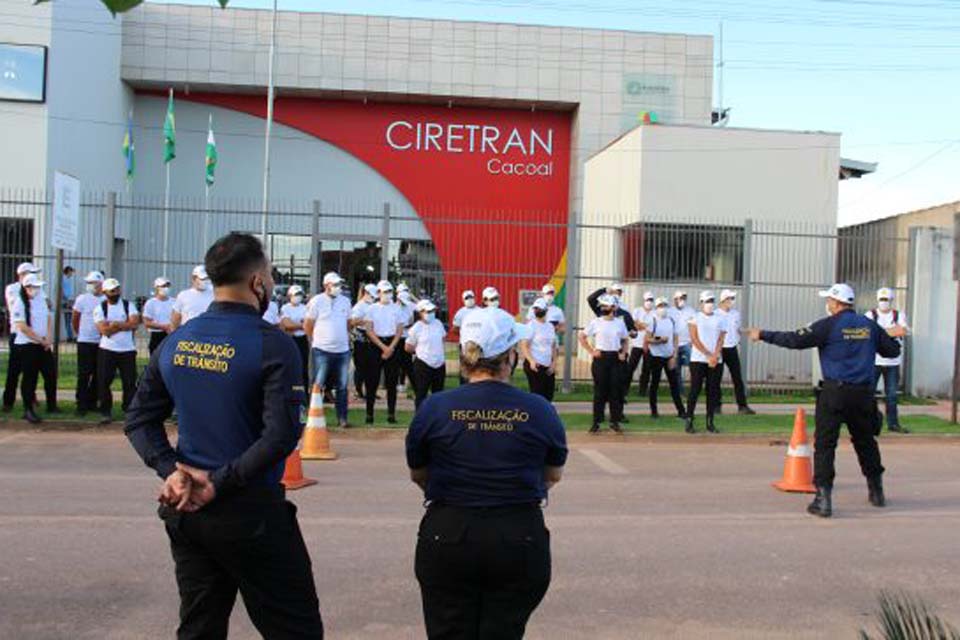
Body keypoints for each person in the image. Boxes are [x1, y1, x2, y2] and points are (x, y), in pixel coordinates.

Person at [125, 232, 324, 639]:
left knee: (199, 627)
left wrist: (172, 471)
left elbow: (139, 420)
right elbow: (281, 435)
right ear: (256, 283)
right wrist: (219, 482)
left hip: (187, 510)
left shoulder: (177, 341)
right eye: (268, 275)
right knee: (296, 628)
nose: (270, 284)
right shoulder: (274, 344)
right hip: (250, 513)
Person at [406, 306, 566, 640]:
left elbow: (419, 474)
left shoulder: (434, 408)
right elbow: (552, 474)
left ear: (465, 357)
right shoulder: (539, 409)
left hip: (448, 532)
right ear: (510, 356)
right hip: (517, 534)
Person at [745, 283, 901, 518]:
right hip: (862, 394)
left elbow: (794, 340)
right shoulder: (870, 326)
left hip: (834, 393)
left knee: (826, 446)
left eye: (829, 300)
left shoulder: (828, 326)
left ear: (837, 303)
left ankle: (823, 499)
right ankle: (876, 491)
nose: (827, 304)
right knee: (866, 442)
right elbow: (892, 351)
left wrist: (763, 334)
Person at [303, 272, 352, 428]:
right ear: (326, 286)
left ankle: (342, 418)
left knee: (342, 386)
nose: (338, 288)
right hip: (321, 350)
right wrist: (315, 341)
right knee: (318, 384)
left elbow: (348, 324)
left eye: (339, 285)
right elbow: (308, 325)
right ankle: (312, 418)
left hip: (342, 350)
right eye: (335, 285)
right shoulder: (316, 301)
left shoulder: (345, 301)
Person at [579, 294, 630, 434]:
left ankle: (615, 421)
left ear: (613, 307)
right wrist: (591, 351)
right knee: (600, 392)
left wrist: (623, 353)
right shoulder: (596, 322)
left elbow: (625, 340)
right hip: (601, 358)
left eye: (605, 305)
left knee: (615, 391)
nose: (603, 308)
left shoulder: (619, 323)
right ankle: (596, 422)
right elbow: (582, 337)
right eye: (602, 306)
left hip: (615, 358)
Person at [9, 273, 56, 423]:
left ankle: (52, 405)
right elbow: (22, 327)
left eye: (37, 287)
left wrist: (48, 338)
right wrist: (39, 340)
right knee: (30, 377)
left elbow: (48, 318)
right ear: (26, 288)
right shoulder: (19, 303)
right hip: (27, 345)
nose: (36, 289)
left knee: (50, 373)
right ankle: (28, 409)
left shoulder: (41, 300)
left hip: (43, 344)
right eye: (33, 287)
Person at [93, 278, 140, 425]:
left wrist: (116, 324)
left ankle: (129, 410)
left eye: (117, 289)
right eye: (112, 291)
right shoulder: (100, 308)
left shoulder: (128, 305)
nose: (115, 293)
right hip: (107, 350)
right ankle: (105, 411)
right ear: (105, 292)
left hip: (127, 350)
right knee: (104, 381)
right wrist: (122, 325)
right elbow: (103, 330)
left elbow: (135, 323)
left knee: (129, 382)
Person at [361, 280, 404, 424]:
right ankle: (369, 414)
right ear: (378, 293)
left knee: (392, 381)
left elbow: (399, 330)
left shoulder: (397, 308)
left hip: (392, 344)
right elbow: (369, 330)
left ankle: (391, 414)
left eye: (389, 291)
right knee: (371, 381)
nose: (387, 295)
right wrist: (383, 347)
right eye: (384, 292)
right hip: (375, 345)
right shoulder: (371, 309)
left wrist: (390, 347)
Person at [868, 287, 910, 433]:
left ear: (891, 300)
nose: (884, 302)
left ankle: (893, 424)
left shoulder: (899, 315)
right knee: (868, 393)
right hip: (874, 361)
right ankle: (867, 423)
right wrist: (890, 332)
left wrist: (879, 333)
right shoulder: (871, 314)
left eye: (886, 300)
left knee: (891, 395)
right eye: (881, 299)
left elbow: (902, 330)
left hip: (893, 362)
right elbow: (866, 332)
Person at [685, 291, 727, 435]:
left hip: (715, 361)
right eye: (707, 301)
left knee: (712, 392)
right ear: (701, 302)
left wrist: (715, 355)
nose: (710, 303)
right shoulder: (694, 318)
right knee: (695, 390)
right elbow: (694, 339)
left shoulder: (720, 319)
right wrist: (708, 354)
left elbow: (721, 338)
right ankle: (689, 420)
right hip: (698, 360)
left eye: (712, 301)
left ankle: (710, 422)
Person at [3, 262, 42, 411]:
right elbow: (15, 308)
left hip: (34, 335)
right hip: (18, 333)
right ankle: (8, 401)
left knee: (32, 369)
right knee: (14, 369)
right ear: (22, 274)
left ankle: (30, 397)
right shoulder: (13, 289)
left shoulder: (37, 289)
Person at [646, 297, 686, 420]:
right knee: (655, 384)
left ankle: (681, 411)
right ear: (656, 307)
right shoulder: (653, 320)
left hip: (669, 356)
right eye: (660, 305)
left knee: (674, 384)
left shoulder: (671, 321)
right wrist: (658, 340)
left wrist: (674, 355)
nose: (662, 308)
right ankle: (654, 411)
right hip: (656, 356)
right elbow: (648, 339)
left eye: (664, 305)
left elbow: (675, 339)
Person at [72, 271, 106, 414]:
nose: (91, 286)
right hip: (85, 340)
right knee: (84, 373)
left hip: (101, 341)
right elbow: (75, 318)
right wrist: (80, 333)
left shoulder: (105, 300)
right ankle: (81, 403)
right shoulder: (82, 299)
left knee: (99, 373)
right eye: (89, 283)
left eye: (93, 283)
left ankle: (92, 401)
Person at [717, 289, 755, 415]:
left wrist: (748, 332)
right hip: (719, 349)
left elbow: (737, 329)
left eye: (733, 298)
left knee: (737, 378)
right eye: (730, 298)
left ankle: (742, 406)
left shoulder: (735, 314)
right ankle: (716, 406)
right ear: (723, 300)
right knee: (716, 378)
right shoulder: (716, 314)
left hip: (732, 348)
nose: (732, 301)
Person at [406, 299, 447, 410]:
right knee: (421, 394)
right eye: (427, 311)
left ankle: (437, 420)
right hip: (423, 364)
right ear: (420, 313)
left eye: (432, 311)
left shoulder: (438, 323)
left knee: (438, 395)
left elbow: (443, 338)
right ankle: (420, 419)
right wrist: (421, 350)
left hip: (439, 364)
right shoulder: (416, 328)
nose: (431, 313)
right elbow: (408, 347)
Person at [524, 298, 559, 401]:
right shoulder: (531, 325)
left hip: (548, 367)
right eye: (535, 309)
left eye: (539, 309)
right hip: (535, 366)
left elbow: (553, 346)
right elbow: (524, 345)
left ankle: (546, 416)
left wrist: (554, 364)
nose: (537, 311)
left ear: (546, 310)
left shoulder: (550, 326)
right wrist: (531, 361)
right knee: (537, 397)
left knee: (549, 396)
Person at [280, 285, 310, 396]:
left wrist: (295, 325)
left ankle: (303, 394)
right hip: (291, 339)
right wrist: (301, 325)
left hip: (302, 340)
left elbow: (307, 323)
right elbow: (286, 324)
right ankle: (289, 392)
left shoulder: (305, 308)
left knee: (303, 368)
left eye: (300, 295)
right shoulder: (285, 308)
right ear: (290, 296)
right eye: (296, 295)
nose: (298, 297)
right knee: (290, 367)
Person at [351, 283, 379, 400]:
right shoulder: (359, 306)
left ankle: (370, 391)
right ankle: (358, 391)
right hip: (361, 338)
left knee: (371, 367)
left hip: (372, 336)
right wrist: (366, 321)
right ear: (366, 293)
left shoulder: (374, 305)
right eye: (371, 296)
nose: (373, 299)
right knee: (361, 367)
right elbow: (353, 321)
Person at [627, 291, 656, 398]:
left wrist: (641, 324)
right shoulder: (637, 310)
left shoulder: (655, 312)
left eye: (651, 300)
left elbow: (653, 328)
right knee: (631, 367)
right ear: (644, 300)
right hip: (637, 344)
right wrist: (645, 325)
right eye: (648, 300)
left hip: (649, 345)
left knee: (647, 369)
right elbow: (635, 325)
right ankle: (625, 389)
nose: (649, 302)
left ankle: (642, 391)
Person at [669, 290, 696, 397]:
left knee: (693, 367)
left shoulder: (691, 311)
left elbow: (695, 327)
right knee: (676, 370)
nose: (681, 300)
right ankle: (680, 392)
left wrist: (693, 341)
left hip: (687, 343)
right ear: (674, 299)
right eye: (679, 298)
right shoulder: (669, 311)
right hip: (674, 345)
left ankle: (693, 391)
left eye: (683, 298)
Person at [171, 265, 214, 330]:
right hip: (187, 334)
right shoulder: (183, 295)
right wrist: (173, 334)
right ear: (194, 278)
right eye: (203, 279)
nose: (206, 281)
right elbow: (176, 318)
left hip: (207, 333)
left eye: (207, 278)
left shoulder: (214, 294)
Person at [143, 277, 174, 355]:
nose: (166, 288)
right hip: (156, 335)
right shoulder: (151, 303)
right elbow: (147, 322)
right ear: (157, 288)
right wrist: (164, 327)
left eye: (167, 286)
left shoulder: (174, 302)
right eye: (163, 286)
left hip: (171, 334)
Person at [452, 289, 477, 385]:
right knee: (465, 368)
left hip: (477, 344)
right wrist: (465, 333)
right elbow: (454, 329)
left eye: (471, 297)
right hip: (464, 344)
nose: (469, 299)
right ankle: (463, 386)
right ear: (463, 300)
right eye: (467, 298)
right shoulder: (460, 313)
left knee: (477, 367)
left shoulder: (480, 311)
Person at [396, 283, 417, 395]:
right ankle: (400, 383)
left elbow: (422, 305)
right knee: (398, 362)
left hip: (407, 338)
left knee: (407, 363)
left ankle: (409, 384)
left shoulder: (410, 305)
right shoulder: (394, 306)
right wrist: (405, 325)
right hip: (397, 338)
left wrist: (412, 296)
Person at [61, 265, 76, 341]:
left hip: (69, 300)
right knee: (68, 320)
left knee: (69, 320)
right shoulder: (63, 279)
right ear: (68, 271)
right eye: (71, 272)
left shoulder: (67, 279)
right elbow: (62, 291)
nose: (72, 274)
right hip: (66, 301)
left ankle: (70, 336)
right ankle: (69, 337)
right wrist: (67, 301)